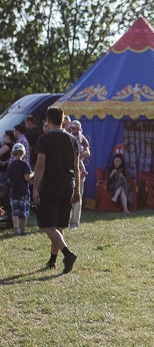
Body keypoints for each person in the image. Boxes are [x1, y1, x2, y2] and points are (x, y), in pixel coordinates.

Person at [32, 105, 81, 273]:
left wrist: (35, 188)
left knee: (47, 224)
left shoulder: (44, 139)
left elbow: (40, 166)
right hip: (69, 184)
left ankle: (67, 254)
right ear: (62, 119)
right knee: (59, 224)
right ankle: (53, 261)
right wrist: (77, 190)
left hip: (52, 185)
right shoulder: (73, 139)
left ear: (48, 120)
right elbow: (77, 167)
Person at [68, 119, 90, 228]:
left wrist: (77, 157)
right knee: (67, 195)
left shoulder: (81, 137)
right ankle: (65, 219)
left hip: (79, 169)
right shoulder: (66, 136)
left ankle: (74, 222)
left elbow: (87, 152)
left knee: (78, 194)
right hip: (67, 169)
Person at [7, 142, 33, 235]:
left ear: (13, 153)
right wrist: (33, 174)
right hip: (23, 191)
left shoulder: (10, 165)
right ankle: (23, 230)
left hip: (13, 191)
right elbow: (27, 177)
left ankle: (16, 229)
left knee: (15, 212)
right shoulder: (24, 164)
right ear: (23, 153)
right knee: (24, 212)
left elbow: (9, 179)